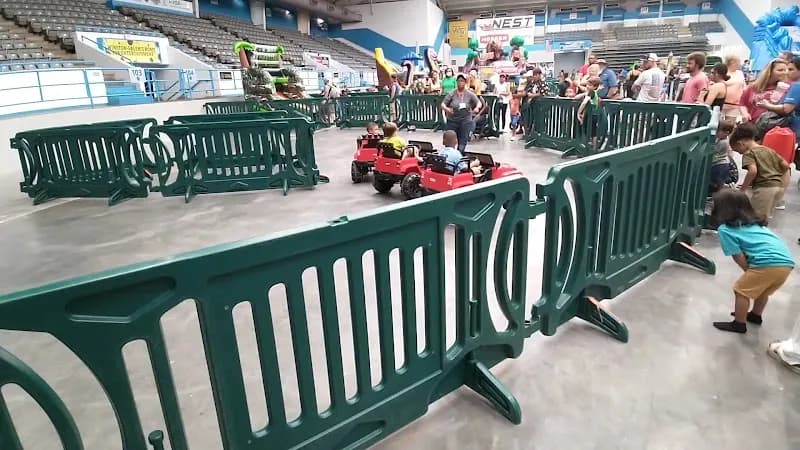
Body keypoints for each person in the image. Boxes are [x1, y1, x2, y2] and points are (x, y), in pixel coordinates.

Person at [711, 189, 794, 334]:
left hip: (767, 263)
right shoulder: (756, 224)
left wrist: (749, 271)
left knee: (741, 291)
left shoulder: (726, 230)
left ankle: (739, 324)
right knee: (762, 291)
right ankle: (755, 316)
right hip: (786, 262)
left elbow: (738, 256)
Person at [729, 122, 790, 222]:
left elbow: (752, 171)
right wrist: (775, 175)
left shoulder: (749, 154)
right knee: (764, 217)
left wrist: (743, 188)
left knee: (755, 217)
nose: (740, 153)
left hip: (764, 188)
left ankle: (754, 236)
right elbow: (785, 165)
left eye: (738, 150)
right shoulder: (768, 150)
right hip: (777, 187)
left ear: (741, 143)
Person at [441, 73, 481, 152]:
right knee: (450, 140)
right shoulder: (451, 93)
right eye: (459, 81)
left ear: (465, 82)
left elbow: (479, 103)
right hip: (453, 120)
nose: (460, 83)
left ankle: (460, 156)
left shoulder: (469, 94)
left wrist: (477, 108)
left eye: (462, 81)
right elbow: (442, 104)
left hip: (465, 120)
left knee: (462, 142)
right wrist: (447, 109)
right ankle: (451, 156)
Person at [575, 76, 601, 151]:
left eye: (590, 85)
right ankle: (593, 148)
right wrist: (584, 94)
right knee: (593, 132)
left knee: (591, 132)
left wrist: (578, 112)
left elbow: (584, 103)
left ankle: (590, 148)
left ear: (595, 87)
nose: (588, 86)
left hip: (591, 115)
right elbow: (576, 97)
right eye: (587, 84)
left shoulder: (591, 92)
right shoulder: (592, 92)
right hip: (593, 114)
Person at [710, 120, 736, 192]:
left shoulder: (723, 142)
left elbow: (713, 150)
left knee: (720, 182)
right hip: (718, 163)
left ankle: (720, 193)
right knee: (716, 181)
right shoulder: (722, 139)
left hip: (720, 164)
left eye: (718, 131)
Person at [723, 55, 746, 122]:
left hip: (735, 104)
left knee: (730, 125)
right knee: (718, 124)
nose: (740, 64)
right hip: (722, 104)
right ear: (733, 63)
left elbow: (744, 86)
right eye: (739, 62)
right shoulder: (723, 73)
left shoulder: (740, 73)